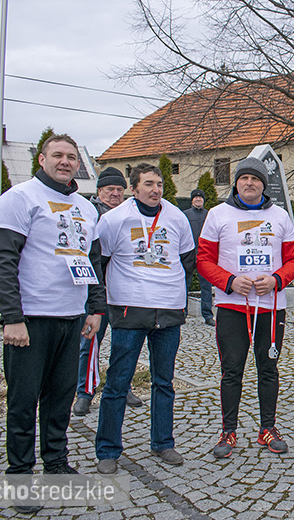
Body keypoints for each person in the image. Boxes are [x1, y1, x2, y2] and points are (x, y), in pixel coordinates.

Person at [0, 134, 105, 512]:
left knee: (59, 399)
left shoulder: (87, 209)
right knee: (23, 402)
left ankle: (56, 464)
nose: (66, 161)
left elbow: (95, 262)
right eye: (58, 155)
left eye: (72, 156)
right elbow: (1, 262)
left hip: (71, 318)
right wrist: (12, 318)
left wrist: (95, 309)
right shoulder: (19, 199)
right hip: (31, 320)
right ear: (42, 159)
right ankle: (20, 475)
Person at [197, 158, 294, 458]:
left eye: (255, 179)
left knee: (268, 368)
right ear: (236, 183)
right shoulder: (218, 214)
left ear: (263, 185)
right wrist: (229, 281)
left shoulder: (280, 216)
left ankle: (267, 428)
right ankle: (228, 431)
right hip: (232, 306)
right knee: (232, 371)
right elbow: (203, 261)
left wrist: (277, 280)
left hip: (270, 308)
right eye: (244, 179)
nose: (249, 184)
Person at [94, 163, 195, 474]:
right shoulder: (114, 220)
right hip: (128, 309)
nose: (155, 189)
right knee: (117, 382)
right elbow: (101, 261)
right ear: (133, 188)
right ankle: (108, 450)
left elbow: (187, 259)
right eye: (148, 184)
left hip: (168, 310)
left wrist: (168, 286)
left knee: (163, 381)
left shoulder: (177, 217)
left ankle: (163, 443)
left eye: (159, 184)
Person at [73, 167, 143, 416]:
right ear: (99, 191)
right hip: (96, 292)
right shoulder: (89, 215)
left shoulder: (132, 215)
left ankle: (123, 387)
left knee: (125, 346)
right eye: (110, 190)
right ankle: (85, 392)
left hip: (124, 293)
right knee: (90, 343)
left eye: (119, 190)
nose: (115, 194)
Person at [184, 189, 216, 326]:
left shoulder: (209, 215)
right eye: (195, 198)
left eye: (200, 198)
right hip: (189, 253)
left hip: (204, 254)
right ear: (192, 200)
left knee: (206, 286)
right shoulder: (185, 215)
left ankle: (208, 315)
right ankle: (182, 313)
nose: (198, 200)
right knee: (184, 285)